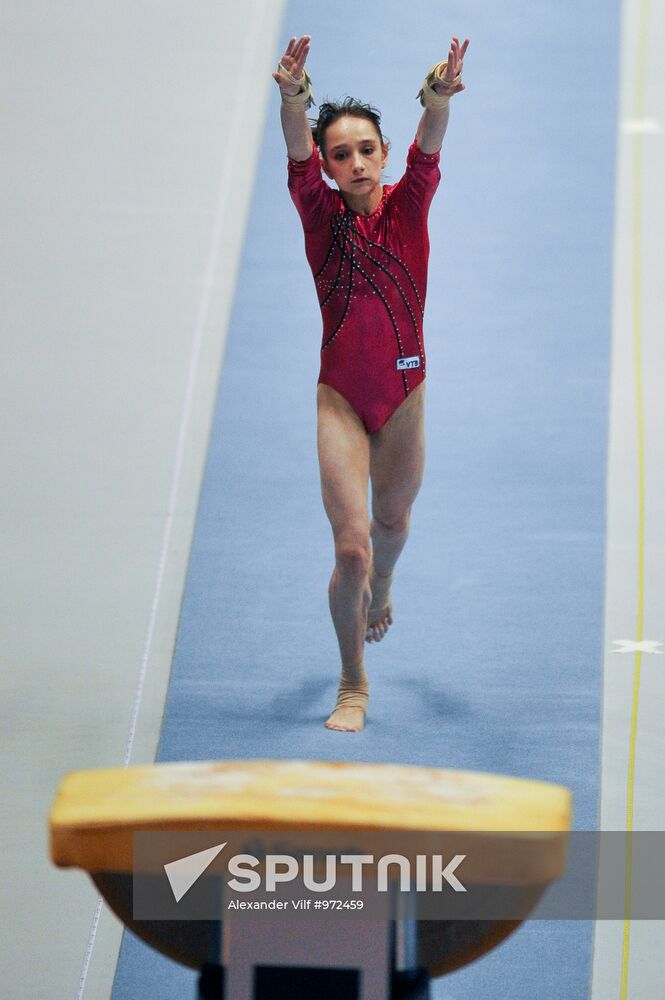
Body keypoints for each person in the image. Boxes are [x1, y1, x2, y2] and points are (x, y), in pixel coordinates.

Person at [273, 34, 469, 732]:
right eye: (339, 154)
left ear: (382, 154)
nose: (354, 162)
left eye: (365, 149)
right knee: (350, 545)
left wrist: (437, 98)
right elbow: (295, 151)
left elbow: (429, 146)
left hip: (404, 399)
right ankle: (353, 681)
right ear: (325, 167)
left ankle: (384, 586)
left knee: (389, 527)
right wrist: (293, 98)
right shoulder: (318, 215)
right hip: (340, 400)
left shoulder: (409, 203)